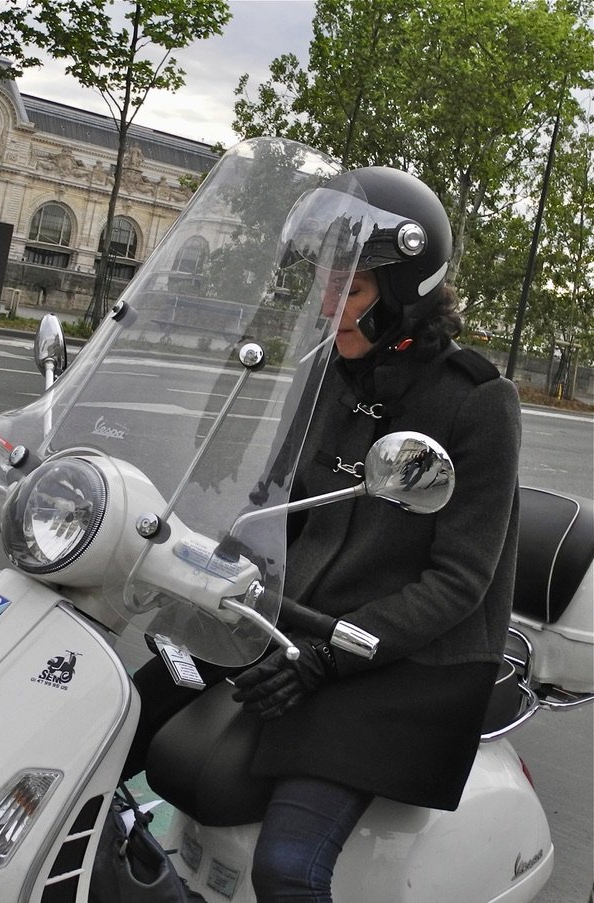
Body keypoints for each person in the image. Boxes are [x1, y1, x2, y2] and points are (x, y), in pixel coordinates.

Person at [127, 165, 522, 903]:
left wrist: (326, 658)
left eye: (356, 289)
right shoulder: (327, 373)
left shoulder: (477, 402)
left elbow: (460, 582)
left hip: (401, 663)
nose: (332, 305)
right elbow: (272, 505)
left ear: (404, 293)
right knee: (111, 723)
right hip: (295, 627)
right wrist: (187, 560)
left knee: (288, 865)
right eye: (327, 285)